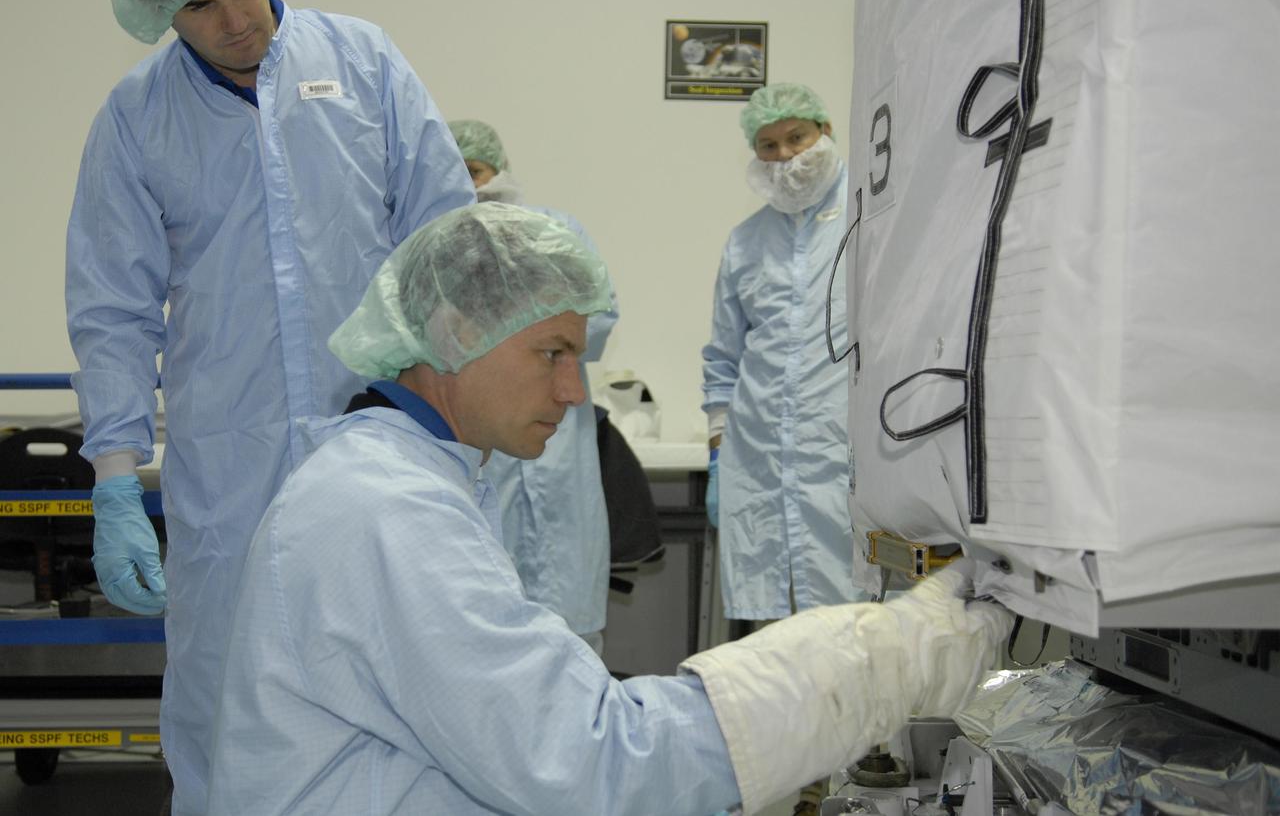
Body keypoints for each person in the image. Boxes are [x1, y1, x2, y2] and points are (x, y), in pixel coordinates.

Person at [206, 202, 1012, 816]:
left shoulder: (398, 472)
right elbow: (594, 759)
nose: (573, 390)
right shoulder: (386, 511)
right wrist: (887, 659)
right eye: (552, 353)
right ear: (453, 332)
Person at [64, 0, 473, 812]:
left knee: (402, 681)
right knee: (220, 699)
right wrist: (117, 479)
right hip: (230, 464)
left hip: (380, 443)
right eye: (198, 5)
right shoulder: (137, 117)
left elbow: (445, 246)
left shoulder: (363, 63)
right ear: (157, 12)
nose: (234, 20)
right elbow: (112, 310)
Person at [701, 83, 862, 814]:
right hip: (761, 458)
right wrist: (717, 446)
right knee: (777, 638)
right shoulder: (746, 241)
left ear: (825, 131)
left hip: (844, 462)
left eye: (796, 138)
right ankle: (798, 786)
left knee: (852, 629)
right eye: (768, 145)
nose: (784, 156)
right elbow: (723, 358)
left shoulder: (869, 218)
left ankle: (857, 781)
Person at [449, 118, 617, 654]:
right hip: (476, 450)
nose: (467, 183)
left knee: (568, 633)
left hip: (558, 447)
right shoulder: (437, 248)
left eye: (473, 169)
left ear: (498, 168)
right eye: (452, 171)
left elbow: (599, 318)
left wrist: (514, 333)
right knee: (481, 627)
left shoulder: (555, 231)